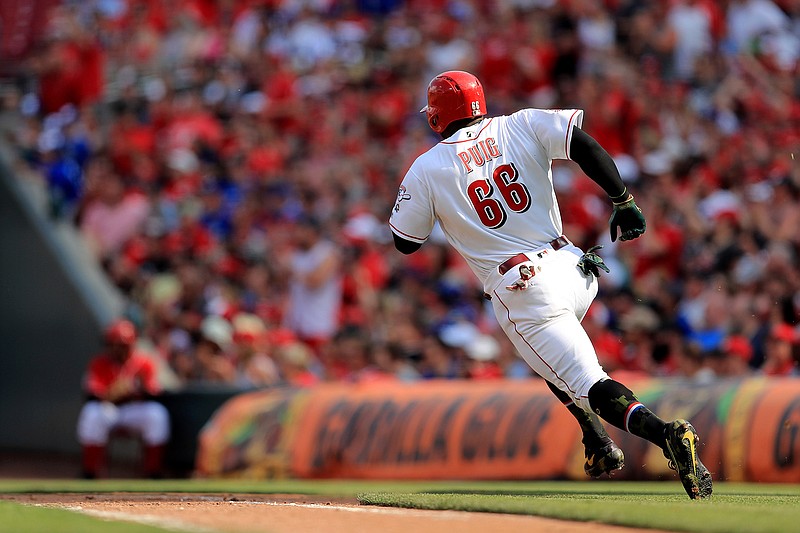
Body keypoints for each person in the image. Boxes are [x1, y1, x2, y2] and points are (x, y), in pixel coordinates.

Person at [389, 71, 712, 499]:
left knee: (588, 381)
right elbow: (584, 144)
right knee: (550, 360)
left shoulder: (426, 167)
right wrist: (624, 201)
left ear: (435, 117)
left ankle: (665, 433)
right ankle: (595, 440)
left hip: (524, 285)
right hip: (574, 267)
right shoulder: (520, 122)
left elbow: (405, 243)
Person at [76, 319, 170, 478]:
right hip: (109, 410)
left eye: (122, 345)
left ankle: (153, 472)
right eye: (114, 344)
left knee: (157, 414)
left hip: (134, 409)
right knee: (92, 413)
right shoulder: (99, 363)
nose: (117, 349)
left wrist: (136, 389)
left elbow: (156, 393)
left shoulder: (144, 362)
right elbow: (91, 395)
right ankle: (89, 472)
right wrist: (113, 393)